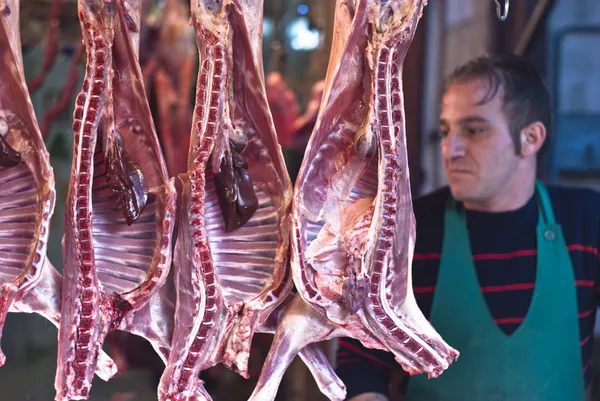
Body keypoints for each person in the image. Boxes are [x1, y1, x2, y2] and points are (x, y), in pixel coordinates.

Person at [335, 53, 600, 401]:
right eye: (446, 130)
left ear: (531, 138)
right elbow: (361, 360)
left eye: (474, 130)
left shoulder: (585, 221)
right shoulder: (410, 231)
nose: (451, 149)